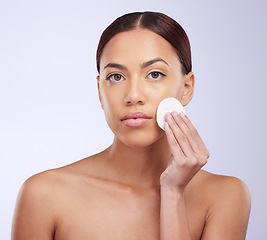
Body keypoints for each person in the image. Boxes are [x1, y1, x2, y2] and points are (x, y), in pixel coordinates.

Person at [12, 11, 251, 240]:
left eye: (155, 74)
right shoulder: (43, 195)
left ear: (186, 89)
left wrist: (173, 192)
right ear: (99, 91)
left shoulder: (226, 196)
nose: (133, 95)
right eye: (116, 77)